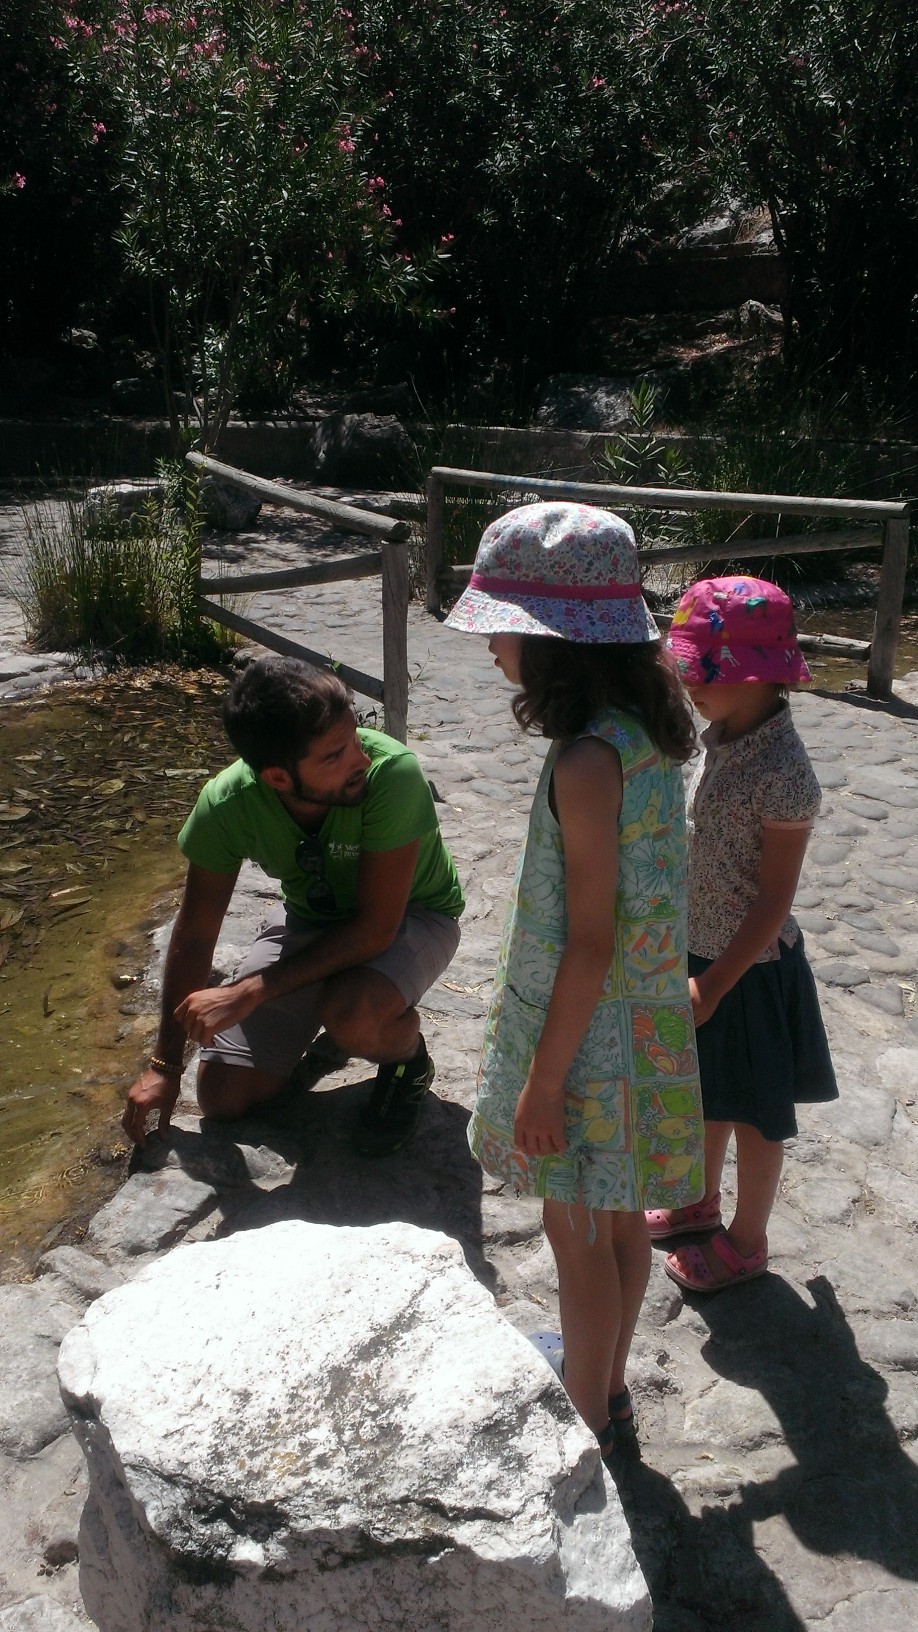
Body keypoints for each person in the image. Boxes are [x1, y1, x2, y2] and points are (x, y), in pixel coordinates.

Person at [445, 501, 704, 1468]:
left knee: (574, 1232)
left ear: (554, 641)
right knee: (617, 1214)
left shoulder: (587, 761)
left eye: (503, 626)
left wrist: (543, 1083)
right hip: (638, 1023)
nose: (491, 645)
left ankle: (586, 1425)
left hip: (586, 1039)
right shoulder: (643, 733)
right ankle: (610, 1383)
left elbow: (589, 943)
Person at [121, 655, 464, 1158]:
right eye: (335, 756)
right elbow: (195, 933)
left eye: (355, 737)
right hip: (311, 919)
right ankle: (326, 1014)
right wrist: (166, 1065)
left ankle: (407, 1060)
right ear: (279, 778)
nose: (359, 760)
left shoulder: (392, 775)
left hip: (413, 914)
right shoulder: (226, 804)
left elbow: (375, 930)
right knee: (223, 1096)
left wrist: (249, 992)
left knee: (353, 1013)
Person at [649, 576, 838, 1290]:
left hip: (751, 970)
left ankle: (749, 1238)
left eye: (701, 672)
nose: (688, 684)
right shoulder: (723, 737)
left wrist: (715, 983)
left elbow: (773, 901)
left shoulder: (785, 773)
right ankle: (698, 1199)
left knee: (759, 1116)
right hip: (703, 952)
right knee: (706, 1093)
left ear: (754, 674)